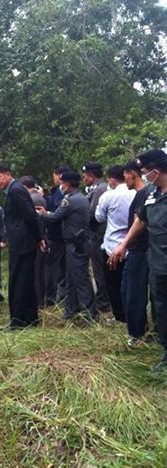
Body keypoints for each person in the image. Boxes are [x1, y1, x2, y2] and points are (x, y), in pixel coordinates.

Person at [110, 150, 167, 371]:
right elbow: (141, 220)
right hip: (158, 262)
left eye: (145, 169)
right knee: (161, 308)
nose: (143, 173)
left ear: (157, 169)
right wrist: (124, 244)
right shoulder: (151, 193)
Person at [37, 172, 97, 321]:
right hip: (76, 244)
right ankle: (71, 309)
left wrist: (43, 213)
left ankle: (90, 313)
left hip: (76, 245)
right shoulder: (79, 197)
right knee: (70, 278)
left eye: (62, 183)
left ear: (67, 184)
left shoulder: (70, 200)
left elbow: (55, 217)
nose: (60, 186)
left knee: (81, 278)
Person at [0, 163, 44, 329]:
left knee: (19, 281)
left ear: (7, 174)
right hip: (22, 242)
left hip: (24, 243)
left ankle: (18, 320)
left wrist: (39, 238)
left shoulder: (15, 190)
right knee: (25, 281)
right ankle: (30, 318)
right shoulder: (13, 190)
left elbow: (30, 216)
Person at [95, 165, 136, 323]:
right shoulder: (135, 193)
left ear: (111, 179)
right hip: (132, 244)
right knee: (130, 284)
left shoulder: (108, 196)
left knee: (112, 283)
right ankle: (132, 314)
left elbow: (99, 217)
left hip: (112, 246)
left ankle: (119, 315)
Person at [116, 160, 151, 346]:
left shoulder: (144, 194)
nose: (124, 179)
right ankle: (139, 329)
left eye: (125, 175)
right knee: (128, 289)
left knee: (133, 291)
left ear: (132, 174)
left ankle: (138, 334)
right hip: (135, 249)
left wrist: (124, 244)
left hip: (140, 250)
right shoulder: (141, 194)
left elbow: (140, 223)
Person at [83, 162, 111, 313]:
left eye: (85, 175)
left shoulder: (100, 189)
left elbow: (92, 214)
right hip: (98, 235)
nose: (83, 178)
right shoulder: (98, 188)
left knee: (100, 270)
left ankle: (103, 302)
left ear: (91, 176)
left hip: (98, 234)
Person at [44, 165, 72, 306]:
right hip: (56, 235)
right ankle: (59, 295)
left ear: (59, 176)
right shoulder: (56, 192)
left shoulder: (67, 195)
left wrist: (45, 213)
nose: (53, 178)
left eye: (54, 175)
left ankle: (54, 297)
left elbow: (57, 212)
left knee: (55, 268)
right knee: (60, 268)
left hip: (59, 236)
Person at [20, 176, 48, 308]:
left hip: (37, 238)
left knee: (36, 271)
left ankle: (38, 301)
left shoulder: (32, 199)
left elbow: (34, 220)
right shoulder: (39, 197)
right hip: (41, 236)